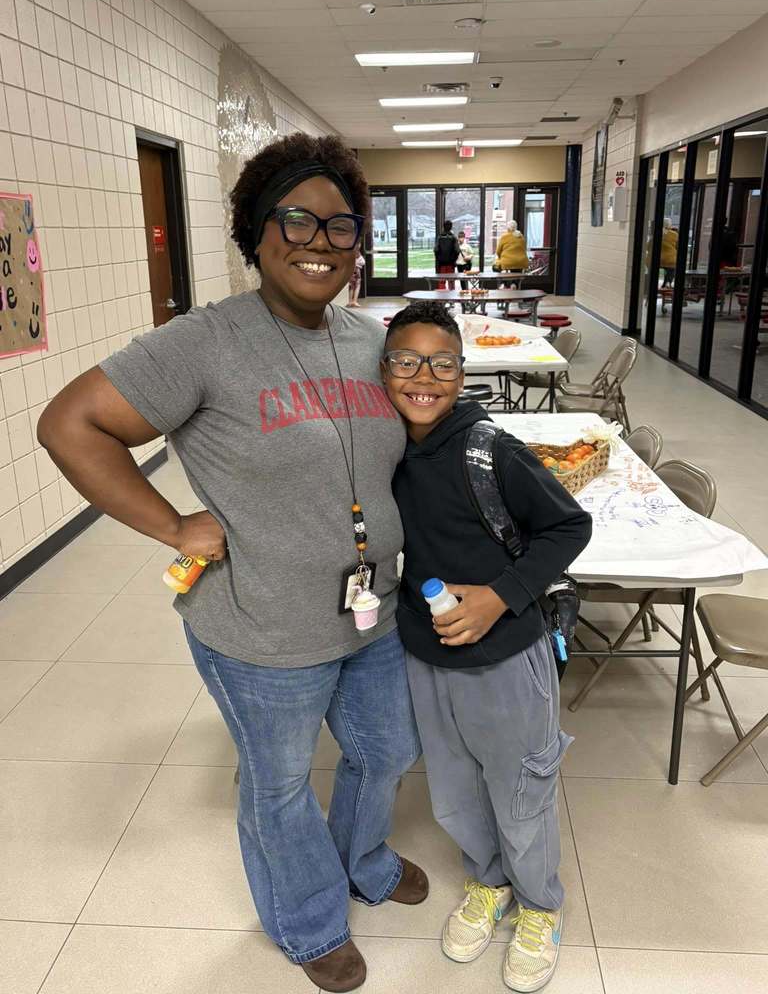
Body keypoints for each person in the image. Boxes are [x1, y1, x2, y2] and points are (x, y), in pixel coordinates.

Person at [36, 133, 428, 994]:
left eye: (341, 226)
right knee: (280, 783)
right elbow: (69, 424)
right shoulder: (201, 343)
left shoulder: (368, 339)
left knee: (386, 748)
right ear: (256, 231)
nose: (319, 243)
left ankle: (363, 858)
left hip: (373, 612)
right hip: (261, 626)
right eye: (297, 220)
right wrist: (173, 523)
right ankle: (309, 920)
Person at [380, 302, 592, 993]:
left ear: (461, 372)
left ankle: (538, 905)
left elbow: (568, 527)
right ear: (383, 372)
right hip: (426, 651)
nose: (424, 377)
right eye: (406, 361)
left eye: (441, 363)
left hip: (505, 657)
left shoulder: (488, 449)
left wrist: (501, 595)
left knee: (520, 786)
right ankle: (490, 881)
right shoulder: (387, 449)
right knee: (455, 790)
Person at [433, 220, 460, 290]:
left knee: (441, 281)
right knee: (451, 281)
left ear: (443, 227)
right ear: (451, 227)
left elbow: (436, 249)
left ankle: (442, 298)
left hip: (441, 264)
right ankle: (451, 298)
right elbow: (457, 250)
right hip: (451, 264)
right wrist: (454, 259)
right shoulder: (453, 237)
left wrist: (438, 258)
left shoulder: (439, 237)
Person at [660, 217, 678, 288]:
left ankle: (665, 283)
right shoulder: (674, 234)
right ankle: (668, 283)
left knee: (668, 268)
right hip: (670, 259)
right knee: (672, 268)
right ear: (669, 225)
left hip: (659, 258)